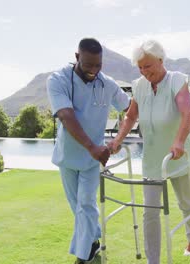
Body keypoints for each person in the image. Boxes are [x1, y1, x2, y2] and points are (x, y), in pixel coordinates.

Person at [108, 40, 190, 264]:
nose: (144, 71)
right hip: (152, 159)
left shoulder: (176, 80)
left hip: (177, 155)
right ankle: (153, 261)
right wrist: (118, 141)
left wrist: (179, 141)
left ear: (161, 60)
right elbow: (131, 116)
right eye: (140, 67)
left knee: (186, 204)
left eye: (147, 66)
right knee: (149, 212)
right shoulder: (139, 85)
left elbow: (187, 112)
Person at [46, 38, 130, 264]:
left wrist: (119, 138)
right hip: (68, 156)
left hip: (94, 159)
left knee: (85, 203)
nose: (93, 70)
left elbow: (130, 108)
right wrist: (91, 146)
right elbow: (66, 115)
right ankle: (93, 241)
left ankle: (83, 257)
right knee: (78, 207)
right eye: (88, 65)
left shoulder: (108, 84)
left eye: (98, 65)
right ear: (77, 57)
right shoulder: (58, 79)